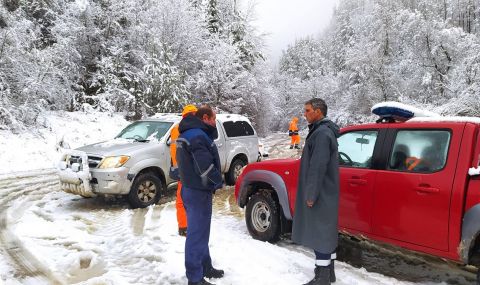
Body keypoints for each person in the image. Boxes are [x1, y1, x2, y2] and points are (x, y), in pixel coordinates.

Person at [292, 98, 340, 285]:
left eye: (307, 110)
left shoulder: (321, 134)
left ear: (318, 112)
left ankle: (322, 278)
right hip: (326, 190)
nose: (304, 114)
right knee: (326, 232)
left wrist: (311, 195)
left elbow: (317, 167)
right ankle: (329, 273)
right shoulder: (324, 132)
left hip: (321, 193)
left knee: (320, 233)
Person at [176, 105, 224, 285]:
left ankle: (206, 266)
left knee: (201, 232)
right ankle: (195, 278)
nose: (214, 122)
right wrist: (218, 181)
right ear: (205, 117)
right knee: (196, 235)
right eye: (213, 119)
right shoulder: (196, 135)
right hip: (197, 192)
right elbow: (205, 167)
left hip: (192, 189)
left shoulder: (190, 132)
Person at [170, 104, 198, 236]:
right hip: (194, 171)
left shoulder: (176, 128)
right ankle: (192, 226)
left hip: (181, 171)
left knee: (182, 201)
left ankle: (183, 227)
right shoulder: (198, 129)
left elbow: (173, 150)